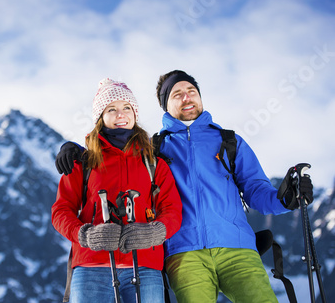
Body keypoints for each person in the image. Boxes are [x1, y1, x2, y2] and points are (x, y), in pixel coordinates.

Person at [55, 70, 314, 303]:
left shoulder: (229, 142)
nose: (187, 97)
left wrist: (285, 200)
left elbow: (255, 189)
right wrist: (78, 149)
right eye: (177, 94)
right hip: (183, 252)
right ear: (166, 106)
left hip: (236, 248)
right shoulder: (156, 148)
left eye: (191, 91)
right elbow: (115, 156)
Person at [51, 78, 183, 303]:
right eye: (111, 109)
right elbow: (61, 211)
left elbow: (172, 209)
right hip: (91, 267)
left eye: (127, 108)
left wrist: (155, 233)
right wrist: (84, 234)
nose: (121, 114)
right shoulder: (82, 161)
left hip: (145, 267)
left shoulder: (154, 163)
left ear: (135, 114)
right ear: (100, 117)